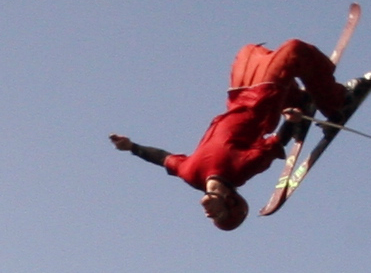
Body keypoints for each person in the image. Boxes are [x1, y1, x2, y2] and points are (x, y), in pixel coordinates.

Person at [110, 37, 357, 231]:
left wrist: (131, 146)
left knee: (248, 50)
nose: (209, 215)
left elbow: (162, 158)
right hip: (263, 95)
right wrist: (292, 122)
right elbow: (276, 143)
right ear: (230, 201)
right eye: (218, 215)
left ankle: (299, 96)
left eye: (213, 218)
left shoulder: (191, 174)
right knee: (294, 50)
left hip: (238, 94)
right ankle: (337, 102)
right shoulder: (240, 171)